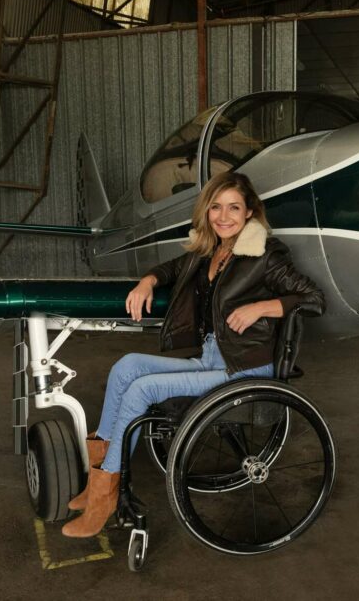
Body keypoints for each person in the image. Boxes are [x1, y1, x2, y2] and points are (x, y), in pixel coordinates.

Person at [62, 171, 326, 538]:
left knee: (142, 390)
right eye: (216, 207)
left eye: (234, 207)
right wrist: (148, 280)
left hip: (245, 366)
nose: (223, 216)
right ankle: (98, 482)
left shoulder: (266, 254)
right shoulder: (210, 249)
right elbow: (173, 268)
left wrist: (264, 306)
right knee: (127, 367)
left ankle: (104, 499)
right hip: (211, 356)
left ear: (250, 212)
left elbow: (313, 299)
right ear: (206, 211)